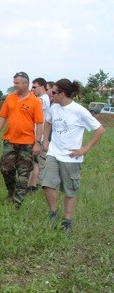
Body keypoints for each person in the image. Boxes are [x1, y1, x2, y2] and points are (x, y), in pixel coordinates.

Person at [41, 79, 105, 232]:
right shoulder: (54, 108)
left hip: (71, 157)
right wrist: (45, 141)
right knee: (46, 183)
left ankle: (67, 221)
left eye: (54, 92)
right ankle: (53, 212)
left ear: (62, 94)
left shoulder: (79, 111)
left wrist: (85, 149)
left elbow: (100, 130)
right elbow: (48, 122)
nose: (51, 94)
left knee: (70, 190)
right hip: (54, 153)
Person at [0, 71, 44, 207]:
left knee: (23, 174)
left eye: (17, 83)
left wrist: (37, 143)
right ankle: (12, 192)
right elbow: (3, 116)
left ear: (26, 83)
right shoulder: (10, 98)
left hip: (27, 143)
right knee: (5, 169)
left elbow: (39, 123)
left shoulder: (35, 102)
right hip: (10, 140)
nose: (14, 85)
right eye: (14, 82)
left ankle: (17, 202)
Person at [27, 77, 52, 192]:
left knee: (36, 162)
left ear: (42, 86)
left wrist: (27, 94)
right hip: (37, 136)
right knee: (34, 162)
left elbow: (32, 105)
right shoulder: (41, 98)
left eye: (34, 87)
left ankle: (33, 186)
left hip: (39, 137)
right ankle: (32, 184)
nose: (33, 89)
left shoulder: (43, 99)